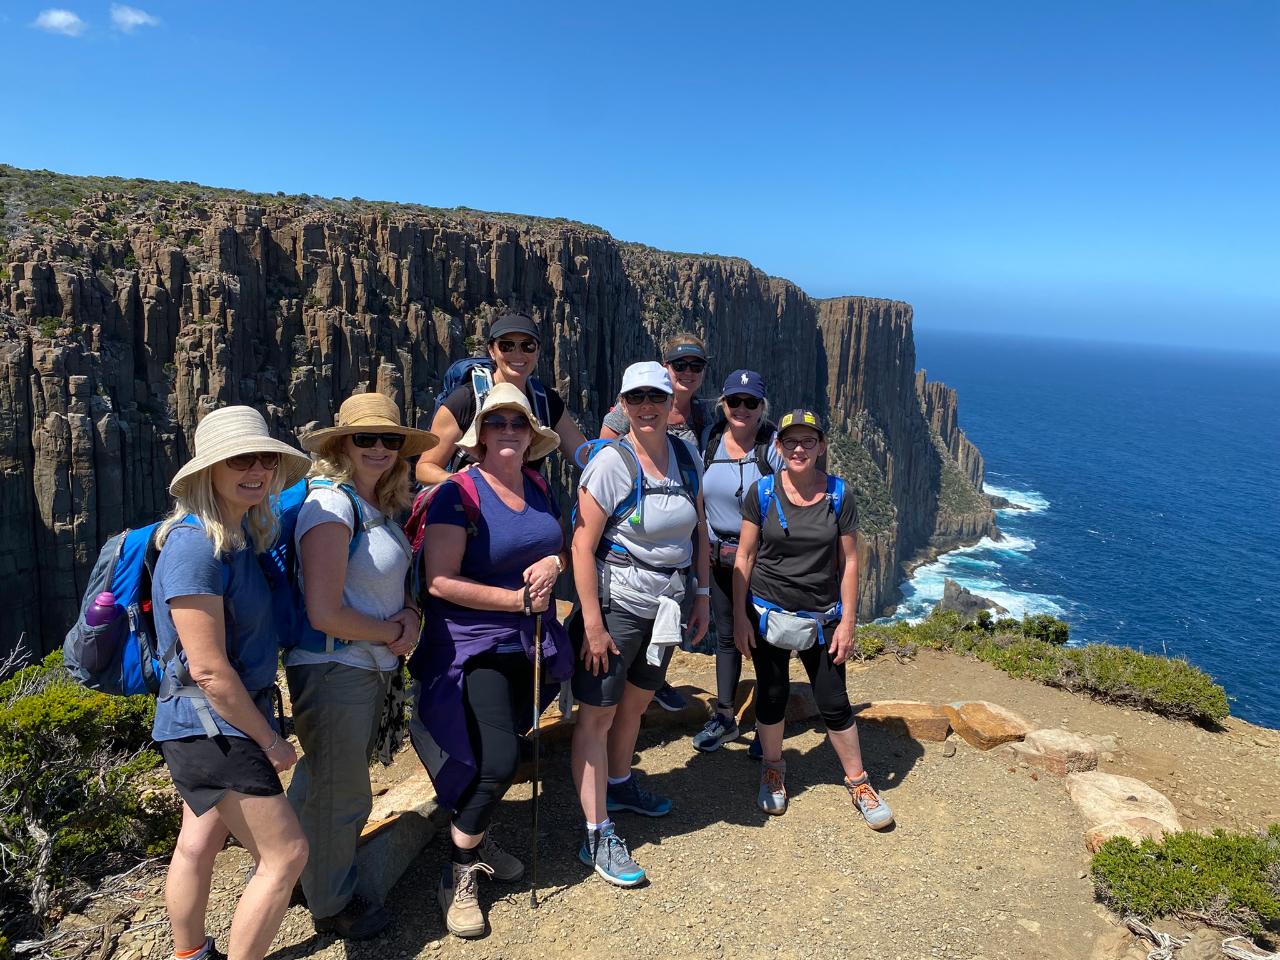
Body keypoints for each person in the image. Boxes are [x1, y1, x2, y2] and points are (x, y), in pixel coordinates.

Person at [407, 382, 575, 938]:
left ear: (531, 436)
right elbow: (439, 581)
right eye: (497, 423)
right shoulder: (458, 493)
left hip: (528, 645)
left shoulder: (536, 484)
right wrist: (516, 601)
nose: (509, 431)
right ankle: (458, 875)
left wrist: (552, 563)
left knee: (494, 752)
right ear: (480, 436)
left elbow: (555, 542)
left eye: (518, 423)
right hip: (471, 646)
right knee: (498, 761)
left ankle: (474, 834)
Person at [151, 406, 313, 960]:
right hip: (213, 726)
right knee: (287, 855)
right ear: (207, 470)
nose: (258, 468)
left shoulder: (236, 536)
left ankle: (189, 953)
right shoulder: (194, 545)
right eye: (241, 458)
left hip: (199, 724)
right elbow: (209, 669)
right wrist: (269, 741)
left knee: (197, 842)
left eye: (266, 458)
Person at [286, 393, 438, 939]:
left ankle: (299, 872)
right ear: (341, 445)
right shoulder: (328, 506)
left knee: (321, 774)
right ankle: (332, 903)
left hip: (362, 667)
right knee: (342, 791)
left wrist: (410, 617)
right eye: (364, 438)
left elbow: (385, 588)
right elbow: (324, 610)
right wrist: (394, 632)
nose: (379, 447)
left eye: (390, 439)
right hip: (334, 670)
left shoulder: (372, 505)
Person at [570, 361, 710, 887]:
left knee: (636, 703)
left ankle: (621, 783)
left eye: (656, 396)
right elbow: (582, 546)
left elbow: (696, 530)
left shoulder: (686, 455)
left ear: (669, 401)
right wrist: (592, 625)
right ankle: (596, 832)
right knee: (597, 717)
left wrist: (700, 594)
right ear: (622, 405)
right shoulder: (611, 463)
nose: (648, 407)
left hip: (667, 607)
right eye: (637, 399)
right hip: (618, 606)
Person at [732, 409, 894, 828]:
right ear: (779, 447)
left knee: (834, 701)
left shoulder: (839, 494)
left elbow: (851, 561)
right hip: (767, 613)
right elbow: (745, 557)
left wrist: (848, 622)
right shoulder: (762, 493)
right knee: (771, 694)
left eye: (808, 441)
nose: (799, 448)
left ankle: (858, 780)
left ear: (821, 446)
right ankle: (773, 767)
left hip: (822, 618)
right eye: (790, 442)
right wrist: (739, 617)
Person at [600, 333, 715, 712]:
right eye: (679, 365)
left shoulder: (702, 416)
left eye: (695, 366)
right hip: (633, 530)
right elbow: (603, 463)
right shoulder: (629, 410)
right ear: (667, 369)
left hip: (683, 522)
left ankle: (654, 678)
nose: (687, 372)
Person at [691, 370, 783, 753]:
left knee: (765, 639)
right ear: (723, 404)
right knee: (727, 636)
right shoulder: (708, 441)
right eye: (734, 401)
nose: (741, 409)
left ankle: (767, 725)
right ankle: (725, 716)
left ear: (762, 407)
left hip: (762, 561)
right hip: (718, 559)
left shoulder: (773, 448)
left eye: (751, 402)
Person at [415, 312, 587, 485]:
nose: (518, 354)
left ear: (538, 351)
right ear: (492, 350)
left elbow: (583, 455)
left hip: (523, 506)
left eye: (527, 346)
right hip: (472, 506)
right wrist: (463, 482)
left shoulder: (547, 402)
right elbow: (425, 467)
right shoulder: (465, 400)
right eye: (506, 346)